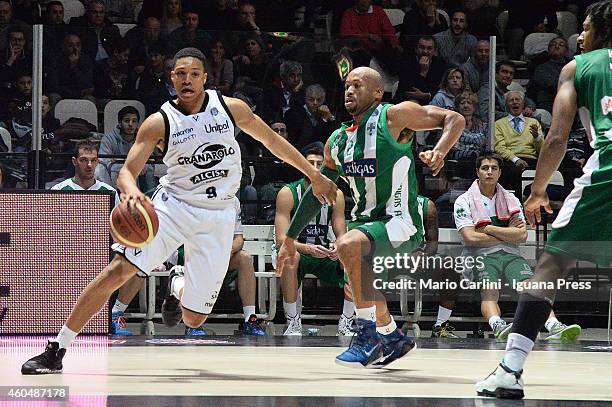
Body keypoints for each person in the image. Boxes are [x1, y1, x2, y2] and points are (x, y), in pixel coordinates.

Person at [21, 47, 337, 375]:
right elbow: (127, 172)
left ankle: (176, 282)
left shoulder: (231, 109)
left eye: (194, 74)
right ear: (172, 78)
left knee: (194, 318)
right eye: (180, 74)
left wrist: (313, 174)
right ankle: (56, 349)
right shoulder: (159, 121)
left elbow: (272, 141)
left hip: (220, 215)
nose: (187, 80)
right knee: (117, 271)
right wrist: (130, 193)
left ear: (205, 78)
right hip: (173, 208)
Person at [277, 66, 465, 367]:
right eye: (347, 86)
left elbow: (454, 118)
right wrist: (289, 238)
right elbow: (318, 192)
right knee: (358, 285)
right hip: (365, 223)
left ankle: (367, 337)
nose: (350, 91)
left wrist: (440, 151)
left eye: (358, 85)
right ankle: (392, 336)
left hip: (401, 221)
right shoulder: (337, 141)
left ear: (377, 92)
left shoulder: (394, 117)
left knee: (347, 245)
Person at [477, 2, 612, 398]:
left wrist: (537, 190)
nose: (580, 37)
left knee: (551, 263)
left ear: (603, 30)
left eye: (585, 29)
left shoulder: (579, 67)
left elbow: (555, 136)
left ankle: (509, 368)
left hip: (608, 168)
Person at [454, 153, 580, 341]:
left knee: (532, 287)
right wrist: (506, 234)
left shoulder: (510, 199)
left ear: (499, 173)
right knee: (490, 289)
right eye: (485, 168)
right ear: (477, 172)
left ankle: (553, 326)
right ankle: (498, 325)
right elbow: (470, 237)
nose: (489, 172)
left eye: (494, 168)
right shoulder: (463, 201)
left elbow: (521, 235)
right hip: (479, 256)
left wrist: (488, 228)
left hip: (511, 254)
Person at [274, 144, 353, 336]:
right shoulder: (288, 193)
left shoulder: (337, 194)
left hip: (322, 250)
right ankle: (293, 322)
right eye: (311, 163)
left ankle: (347, 322)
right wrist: (307, 249)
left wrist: (338, 246)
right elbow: (281, 240)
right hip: (295, 249)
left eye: (320, 163)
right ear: (302, 166)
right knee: (290, 259)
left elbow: (342, 233)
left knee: (353, 257)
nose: (316, 168)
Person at [96, 106, 156, 192]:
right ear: (120, 123)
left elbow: (150, 159)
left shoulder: (143, 138)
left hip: (135, 169)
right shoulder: (109, 138)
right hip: (116, 170)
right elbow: (103, 160)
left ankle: (151, 197)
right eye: (127, 121)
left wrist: (141, 164)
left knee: (148, 167)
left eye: (134, 121)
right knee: (105, 168)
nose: (130, 124)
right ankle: (112, 195)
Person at [50, 139, 119, 205]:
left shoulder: (110, 192)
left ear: (98, 161)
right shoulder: (58, 191)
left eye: (93, 160)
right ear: (74, 161)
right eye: (84, 160)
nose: (89, 165)